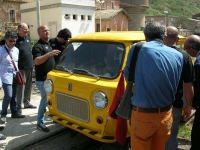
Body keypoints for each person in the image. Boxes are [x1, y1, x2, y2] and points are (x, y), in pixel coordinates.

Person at [124, 22, 183, 150]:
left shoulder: (137, 48)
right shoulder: (178, 55)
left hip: (143, 116)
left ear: (145, 36)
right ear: (164, 36)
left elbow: (128, 76)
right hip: (166, 115)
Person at [164, 26, 194, 150]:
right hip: (174, 105)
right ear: (177, 40)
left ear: (163, 38)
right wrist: (189, 106)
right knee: (171, 138)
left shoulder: (153, 54)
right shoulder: (184, 57)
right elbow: (188, 85)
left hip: (153, 105)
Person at [32, 25, 61, 132]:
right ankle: (40, 122)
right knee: (44, 100)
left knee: (53, 99)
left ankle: (54, 117)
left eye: (48, 30)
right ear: (39, 33)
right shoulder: (38, 46)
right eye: (44, 31)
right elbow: (37, 61)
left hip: (50, 80)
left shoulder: (50, 44)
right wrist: (49, 54)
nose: (47, 32)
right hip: (42, 80)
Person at [0, 31, 25, 124]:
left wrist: (18, 74)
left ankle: (14, 112)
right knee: (9, 95)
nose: (12, 43)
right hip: (5, 76)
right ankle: (3, 114)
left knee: (14, 95)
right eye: (10, 41)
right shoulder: (1, 51)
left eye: (14, 41)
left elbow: (16, 63)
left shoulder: (16, 50)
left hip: (15, 75)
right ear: (6, 40)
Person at [16, 23, 36, 115]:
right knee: (21, 87)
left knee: (28, 85)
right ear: (19, 30)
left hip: (29, 66)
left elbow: (29, 52)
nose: (26, 31)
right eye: (24, 29)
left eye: (27, 29)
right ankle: (18, 106)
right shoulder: (15, 40)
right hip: (21, 68)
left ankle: (27, 102)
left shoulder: (28, 38)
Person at [184, 35, 200, 150]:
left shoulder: (198, 64)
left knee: (197, 137)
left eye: (185, 49)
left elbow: (197, 87)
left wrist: (193, 104)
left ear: (192, 49)